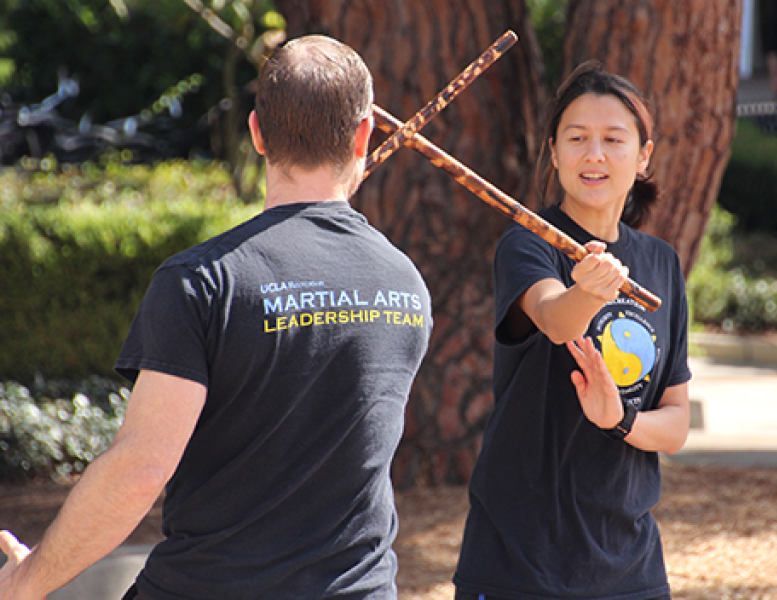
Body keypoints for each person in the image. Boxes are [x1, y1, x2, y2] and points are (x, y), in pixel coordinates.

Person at [0, 35, 432, 600]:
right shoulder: (405, 284)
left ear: (256, 132)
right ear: (364, 136)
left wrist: (26, 583)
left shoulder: (204, 281)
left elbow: (140, 468)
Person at [453, 62, 692, 600]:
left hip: (629, 568)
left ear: (643, 155)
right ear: (555, 153)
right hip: (521, 563)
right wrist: (589, 291)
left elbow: (675, 424)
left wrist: (619, 419)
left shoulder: (660, 264)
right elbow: (557, 320)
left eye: (613, 139)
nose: (595, 155)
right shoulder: (529, 243)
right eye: (577, 138)